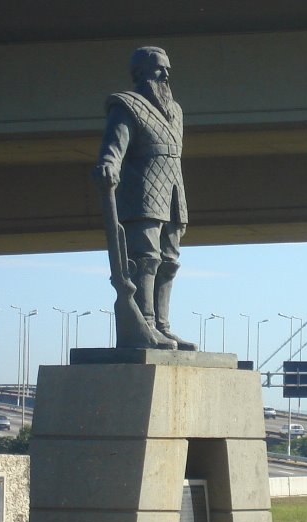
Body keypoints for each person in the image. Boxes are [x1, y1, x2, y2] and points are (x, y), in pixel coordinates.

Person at [94, 46, 196, 350]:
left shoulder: (175, 110)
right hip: (143, 191)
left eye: (167, 69)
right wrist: (109, 166)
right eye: (158, 68)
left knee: (169, 261)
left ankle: (163, 326)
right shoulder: (126, 106)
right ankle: (146, 324)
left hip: (174, 192)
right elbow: (114, 145)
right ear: (139, 73)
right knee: (146, 259)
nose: (165, 74)